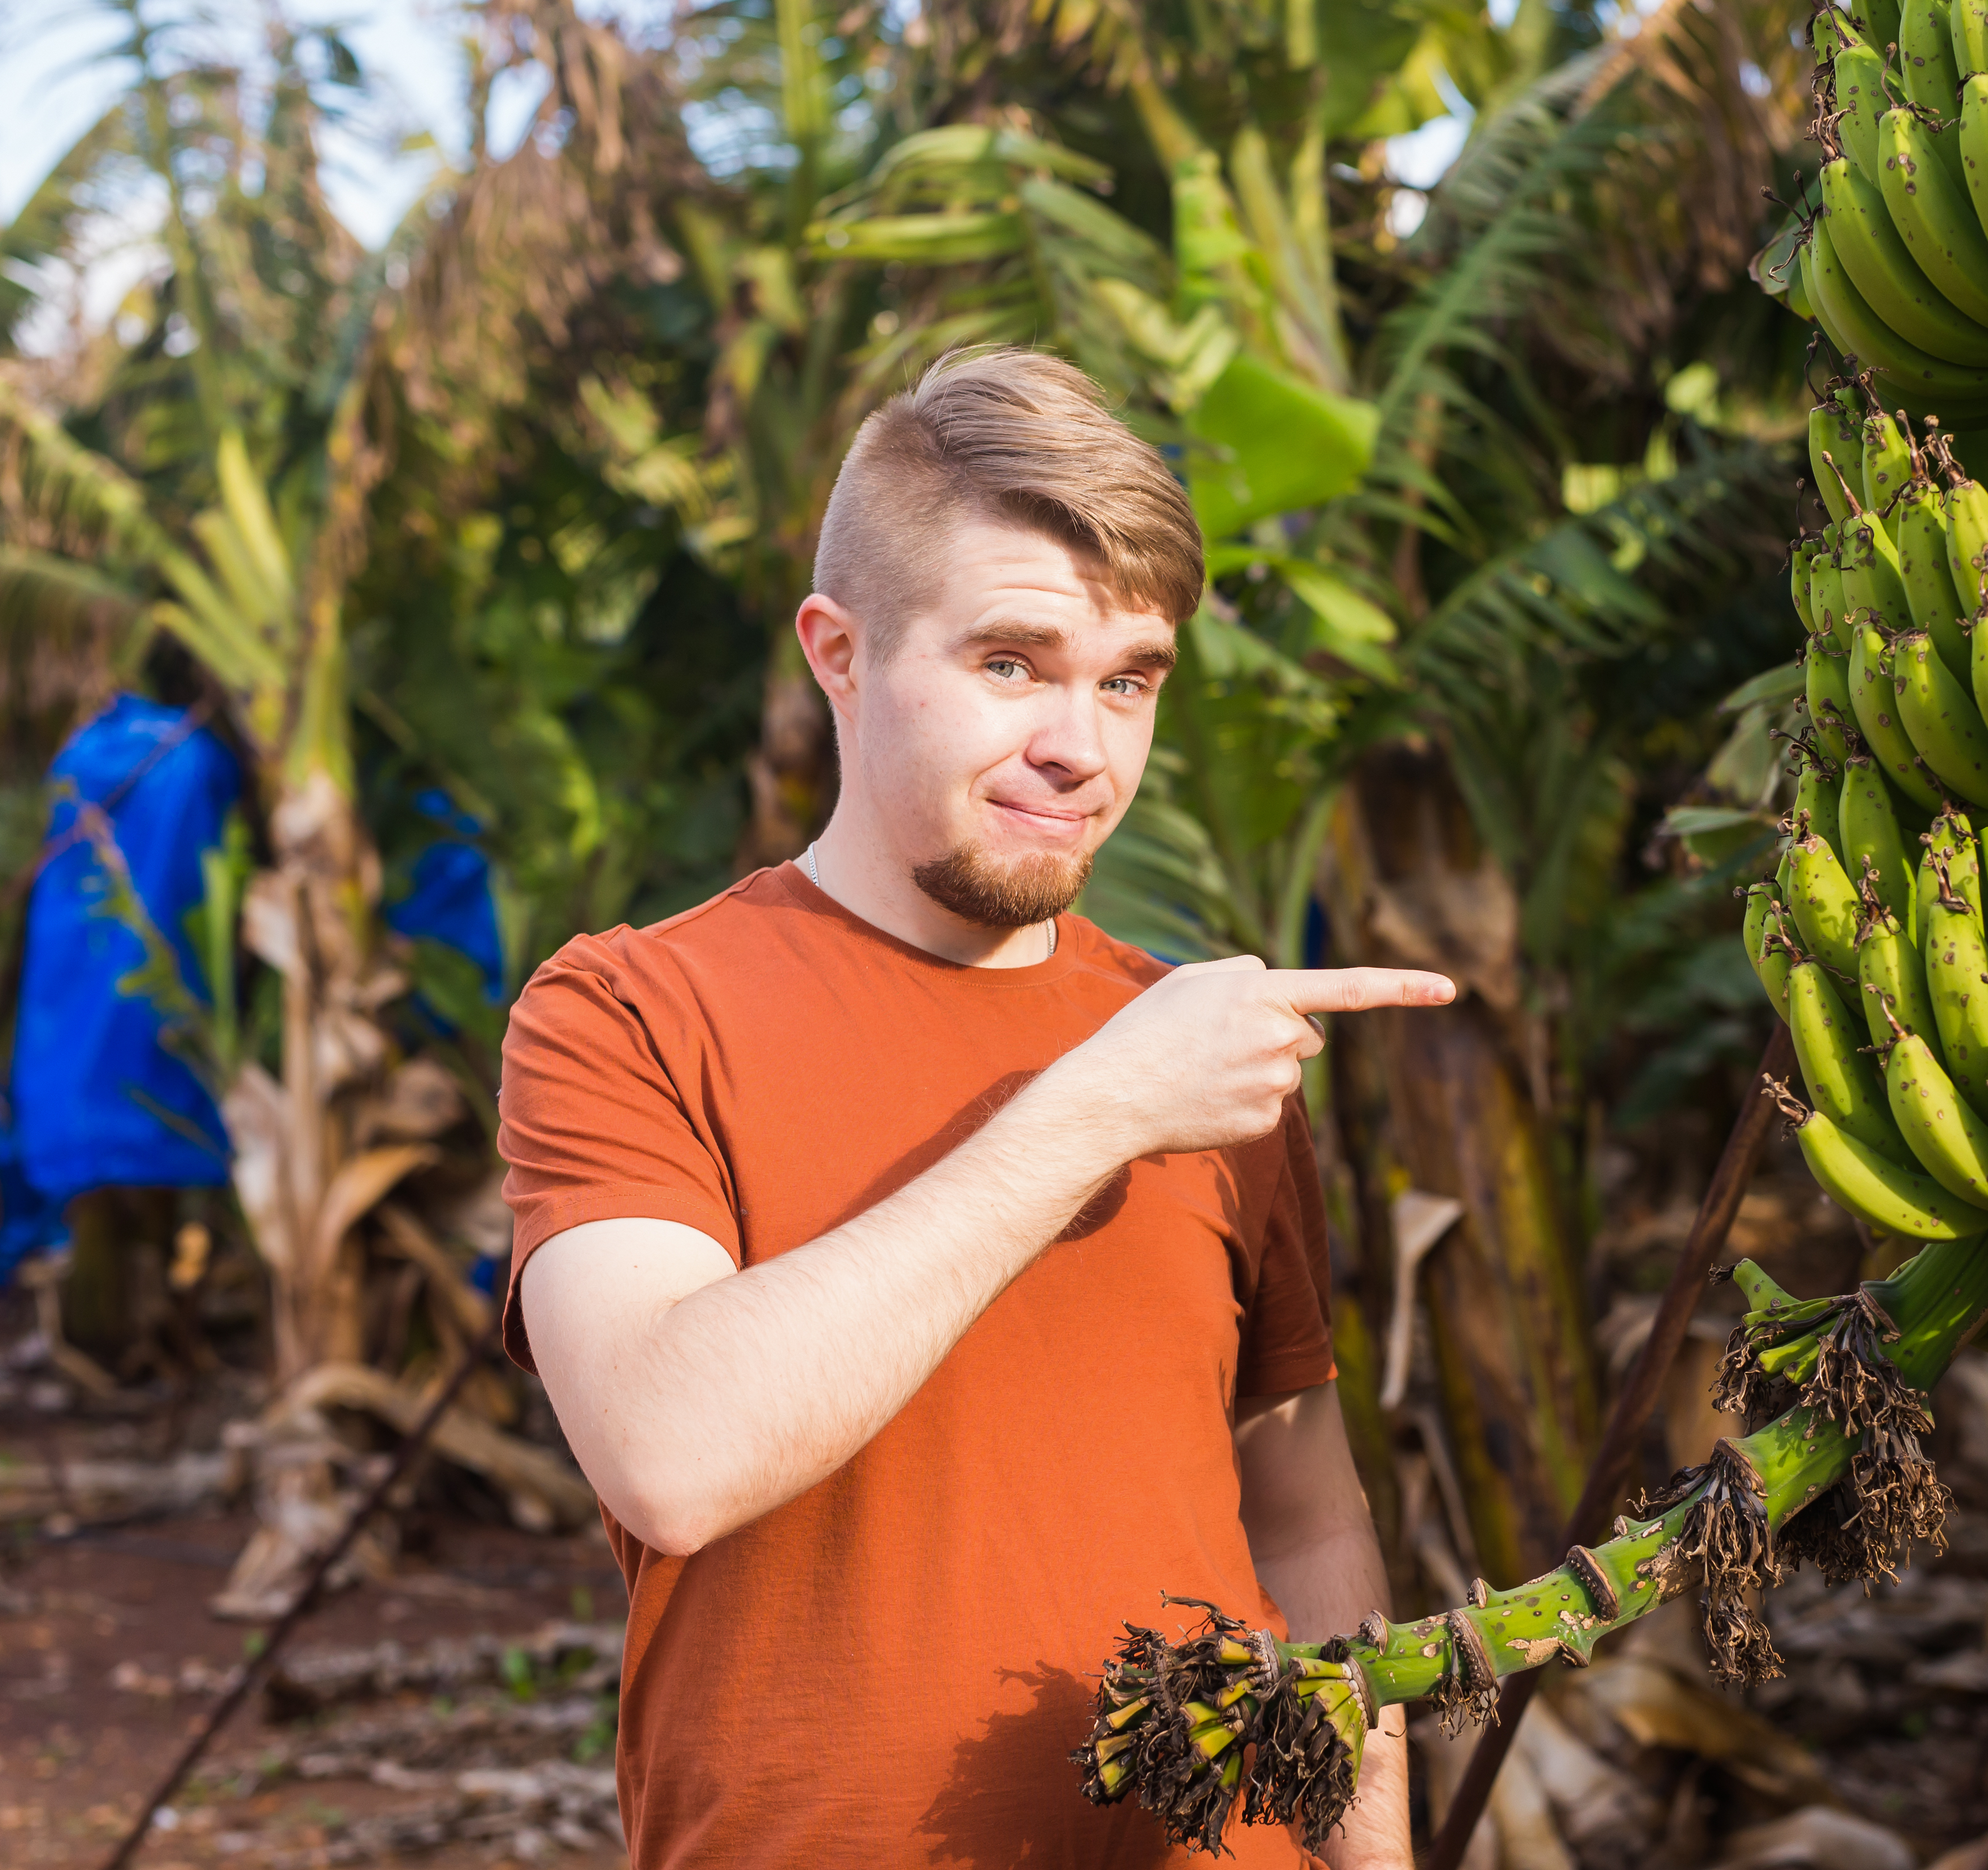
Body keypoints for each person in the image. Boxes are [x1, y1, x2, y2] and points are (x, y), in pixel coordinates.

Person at [500, 348, 1448, 1867]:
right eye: (1011, 663)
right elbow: (669, 1452)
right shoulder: (630, 1010)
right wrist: (1097, 1110)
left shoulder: (1203, 1045)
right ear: (840, 652)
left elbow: (1306, 1524)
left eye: (1127, 679)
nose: (1082, 747)